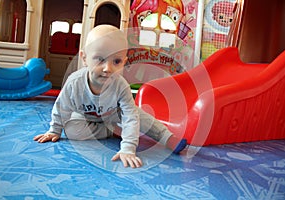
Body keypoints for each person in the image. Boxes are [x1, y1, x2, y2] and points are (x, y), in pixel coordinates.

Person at [34, 25, 187, 168]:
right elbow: (62, 107)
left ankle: (166, 137)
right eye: (100, 59)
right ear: (84, 57)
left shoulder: (121, 85)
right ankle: (111, 131)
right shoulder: (75, 83)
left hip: (114, 114)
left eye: (116, 61)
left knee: (138, 114)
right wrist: (54, 130)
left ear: (124, 62)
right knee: (71, 130)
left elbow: (130, 117)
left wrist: (128, 147)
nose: (108, 68)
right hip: (86, 118)